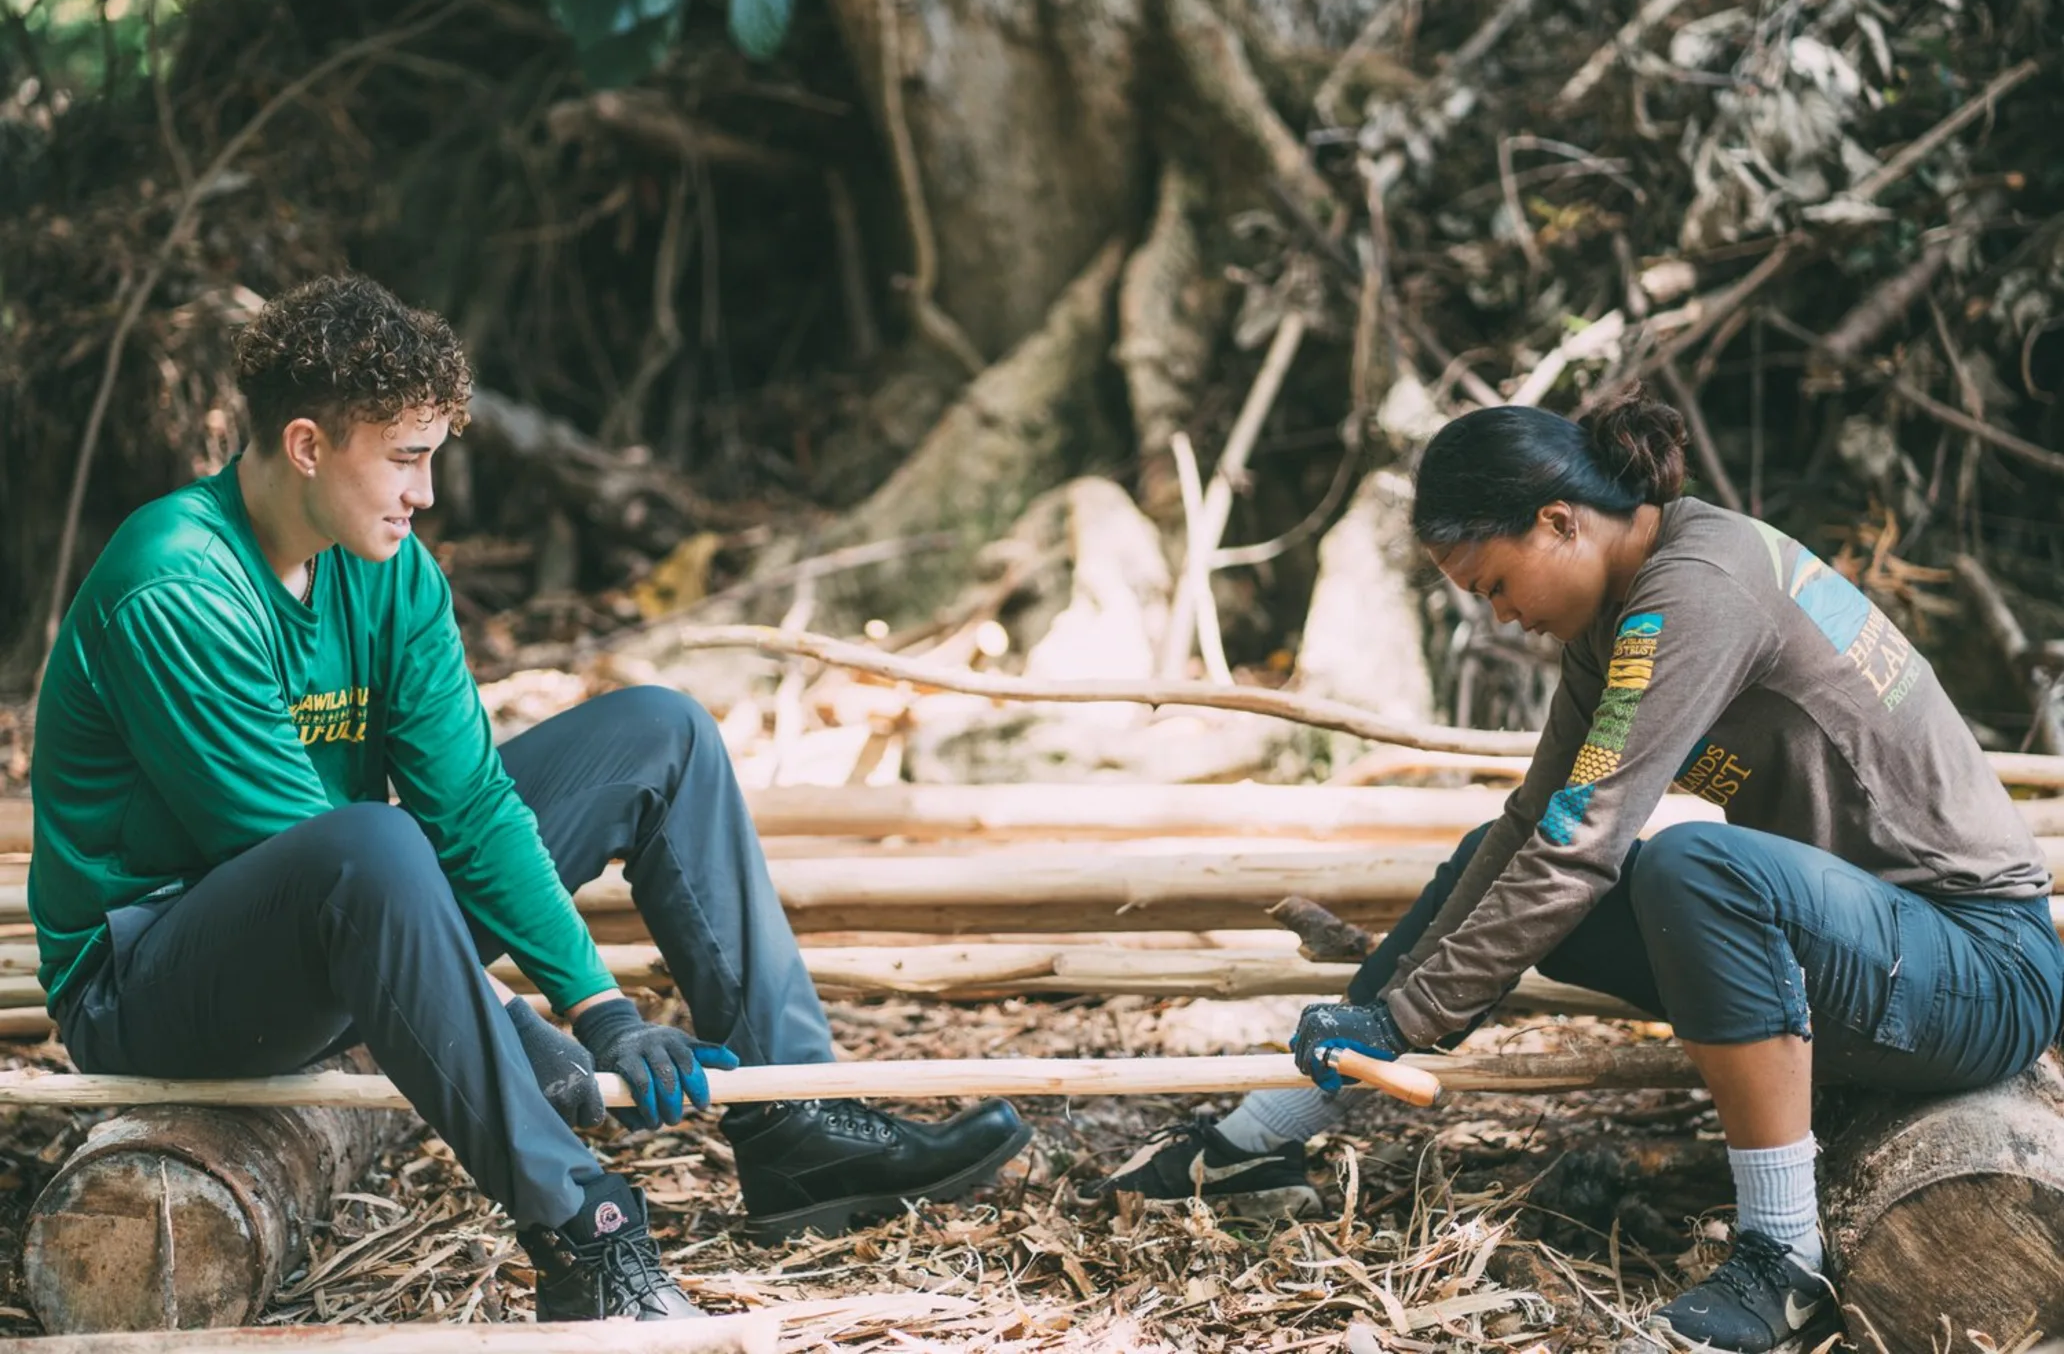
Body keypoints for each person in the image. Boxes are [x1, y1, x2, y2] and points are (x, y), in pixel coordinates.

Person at [29, 274, 1031, 1323]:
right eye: (406, 459)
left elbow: (467, 804)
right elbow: (300, 850)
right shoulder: (177, 586)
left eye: (432, 460)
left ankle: (800, 1128)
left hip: (360, 901)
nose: (424, 494)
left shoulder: (390, 570)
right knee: (368, 844)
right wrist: (512, 1014)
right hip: (156, 981)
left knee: (659, 732)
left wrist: (595, 1005)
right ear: (309, 445)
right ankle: (584, 1237)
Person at [1104, 387, 2062, 1353]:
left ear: (1559, 521)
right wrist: (1374, 1022)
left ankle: (1786, 1260)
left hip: (1982, 973)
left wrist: (1406, 1014)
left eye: (1493, 584)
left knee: (1698, 868)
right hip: (1874, 958)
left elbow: (1586, 843)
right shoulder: (1620, 612)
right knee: (1504, 849)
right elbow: (1535, 827)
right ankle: (1265, 1134)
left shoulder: (1698, 586)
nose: (1500, 615)